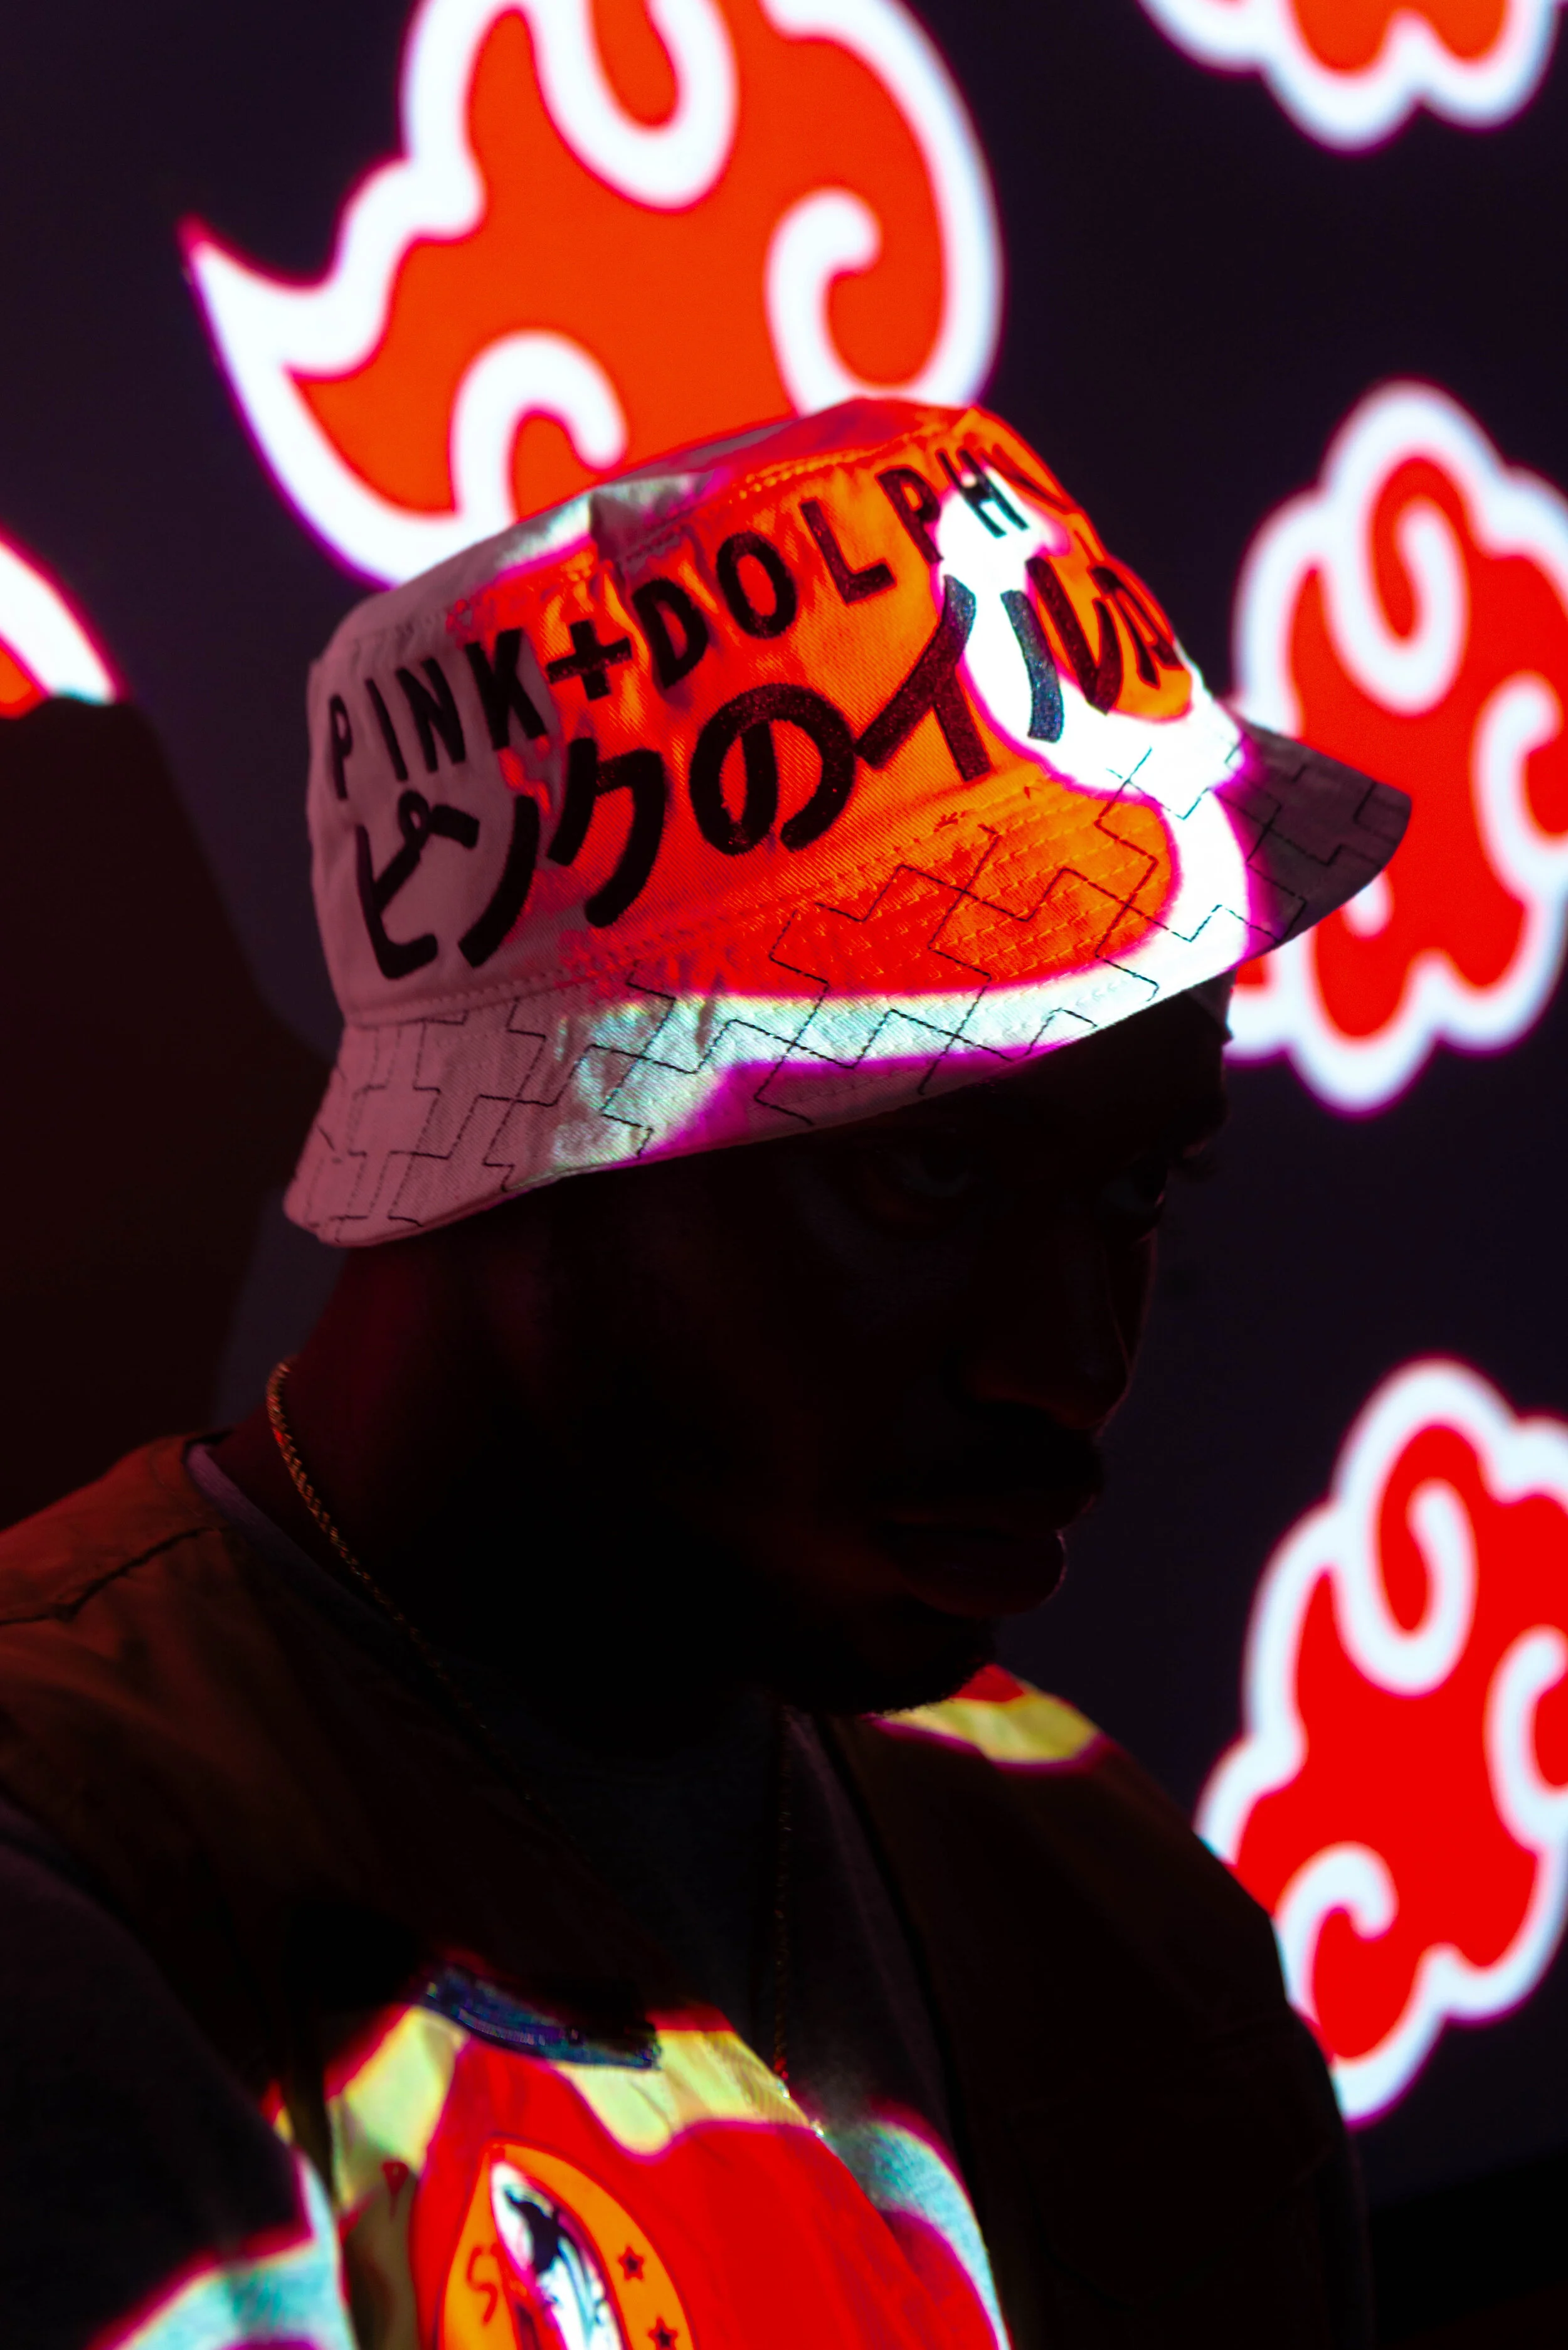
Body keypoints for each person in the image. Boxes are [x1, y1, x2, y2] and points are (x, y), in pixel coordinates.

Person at [0, 400, 1407, 2350]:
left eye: (1137, 1186)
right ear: (524, 1141)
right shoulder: (88, 1897)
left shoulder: (1086, 1867)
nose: (1071, 1363)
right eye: (923, 1176)